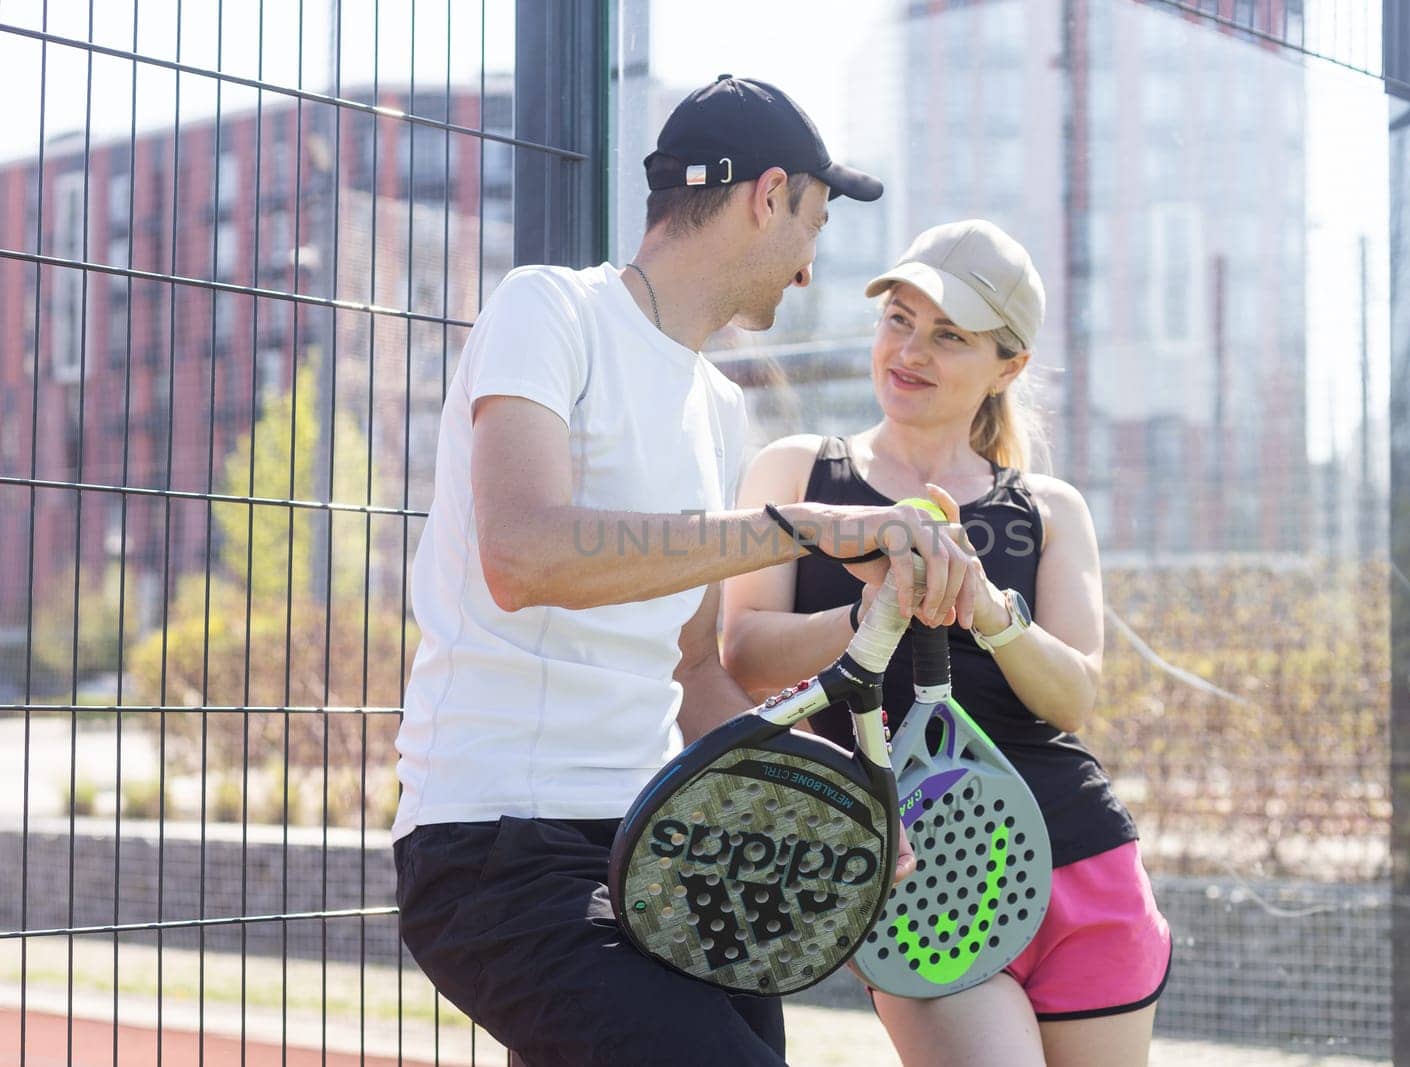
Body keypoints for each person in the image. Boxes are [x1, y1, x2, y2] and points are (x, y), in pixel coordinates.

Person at [389, 76, 983, 1066]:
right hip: (496, 848)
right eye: (815, 221)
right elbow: (523, 553)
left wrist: (831, 789)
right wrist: (799, 525)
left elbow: (696, 673)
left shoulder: (716, 405)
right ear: (768, 195)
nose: (808, 267)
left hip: (656, 845)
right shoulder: (548, 309)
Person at [723, 219, 1172, 1067]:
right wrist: (870, 616)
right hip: (918, 871)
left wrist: (989, 611)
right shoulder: (798, 473)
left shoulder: (1050, 508)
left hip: (1086, 865)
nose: (911, 350)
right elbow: (742, 655)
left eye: (950, 335)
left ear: (1010, 366)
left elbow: (1075, 699)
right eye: (899, 319)